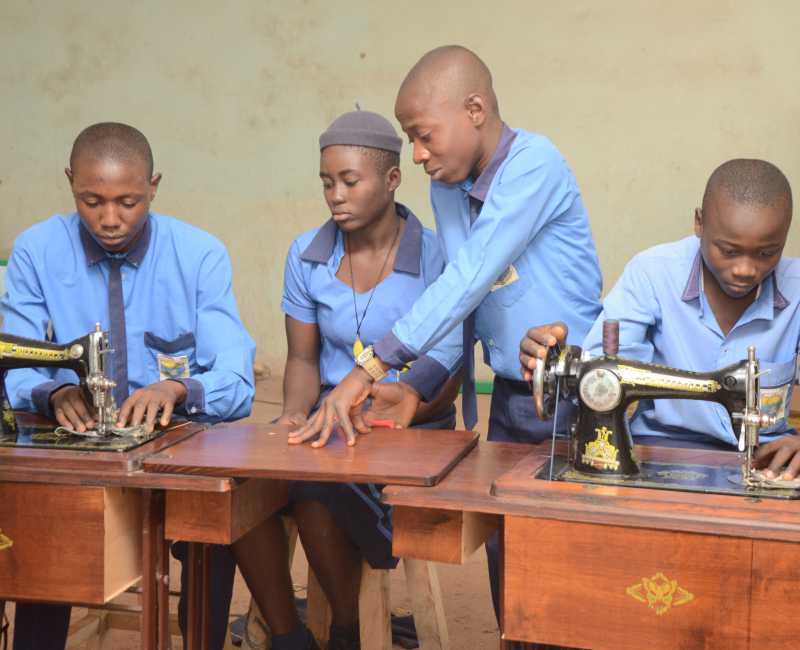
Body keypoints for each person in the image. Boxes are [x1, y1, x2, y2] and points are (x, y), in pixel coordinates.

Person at [288, 46, 602, 630]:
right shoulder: (449, 188)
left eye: (424, 135)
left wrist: (371, 369)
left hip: (578, 399)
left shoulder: (536, 165)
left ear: (475, 108)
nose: (419, 154)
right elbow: (467, 310)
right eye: (411, 140)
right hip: (513, 397)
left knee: (567, 572)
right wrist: (417, 387)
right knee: (508, 566)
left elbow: (468, 276)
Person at [1, 122, 256, 650]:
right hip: (78, 455)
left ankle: (198, 641)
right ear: (70, 181)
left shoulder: (199, 255)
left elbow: (236, 379)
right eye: (91, 201)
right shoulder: (36, 251)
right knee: (41, 531)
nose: (110, 219)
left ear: (154, 186)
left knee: (211, 524)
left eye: (128, 202)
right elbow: (18, 361)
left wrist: (180, 390)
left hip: (173, 451)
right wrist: (50, 393)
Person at [232, 110, 458, 650]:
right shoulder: (308, 254)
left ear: (392, 179)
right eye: (327, 182)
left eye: (350, 182)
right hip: (330, 426)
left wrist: (404, 407)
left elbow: (447, 364)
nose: (336, 195)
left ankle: (345, 629)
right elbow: (305, 361)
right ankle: (290, 636)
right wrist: (293, 413)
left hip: (408, 429)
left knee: (314, 491)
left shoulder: (434, 255)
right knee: (241, 486)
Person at [519, 158, 800, 477]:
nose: (745, 269)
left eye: (767, 253)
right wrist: (558, 362)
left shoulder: (797, 289)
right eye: (729, 250)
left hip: (767, 457)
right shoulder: (653, 274)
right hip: (663, 449)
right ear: (699, 223)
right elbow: (599, 377)